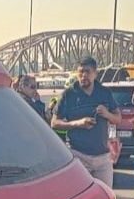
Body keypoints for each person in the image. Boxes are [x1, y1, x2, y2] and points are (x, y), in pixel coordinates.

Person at [52, 57, 121, 188]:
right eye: (80, 72)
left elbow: (118, 119)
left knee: (104, 196)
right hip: (78, 154)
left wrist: (107, 114)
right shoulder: (69, 94)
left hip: (102, 157)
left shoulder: (104, 93)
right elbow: (54, 123)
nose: (84, 75)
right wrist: (78, 123)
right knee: (80, 197)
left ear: (95, 73)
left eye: (87, 72)